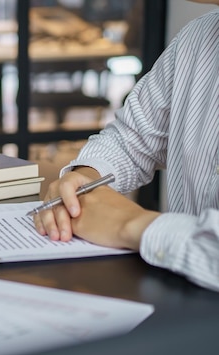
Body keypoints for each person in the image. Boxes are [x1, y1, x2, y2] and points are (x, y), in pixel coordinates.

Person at [33, 1, 219, 291]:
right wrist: (86, 176)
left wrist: (133, 225)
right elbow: (131, 140)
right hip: (179, 303)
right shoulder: (197, 37)